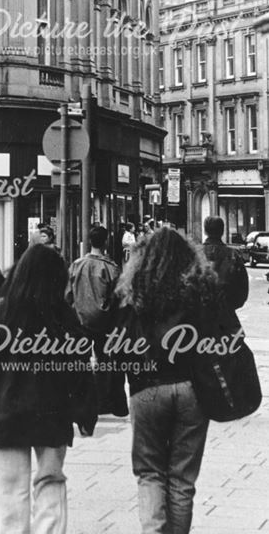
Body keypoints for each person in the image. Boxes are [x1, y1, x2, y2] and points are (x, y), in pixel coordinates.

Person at [0, 244, 98, 534]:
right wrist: (86, 414)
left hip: (5, 411)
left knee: (9, 492)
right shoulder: (63, 317)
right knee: (50, 483)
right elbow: (79, 369)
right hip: (52, 414)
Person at [115, 227, 221, 534]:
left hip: (145, 386)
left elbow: (117, 340)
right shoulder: (201, 288)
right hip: (192, 388)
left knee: (149, 473)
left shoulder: (134, 289)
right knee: (182, 479)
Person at [66, 224, 127, 416]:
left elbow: (68, 295)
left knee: (80, 362)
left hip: (80, 320)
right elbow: (119, 296)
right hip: (104, 322)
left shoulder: (76, 265)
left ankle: (81, 401)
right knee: (103, 361)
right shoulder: (111, 268)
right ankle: (103, 402)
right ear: (106, 242)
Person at [201, 215, 248, 310]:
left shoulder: (195, 253)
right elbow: (242, 289)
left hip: (199, 315)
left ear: (205, 231)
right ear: (222, 231)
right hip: (226, 314)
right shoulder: (234, 255)